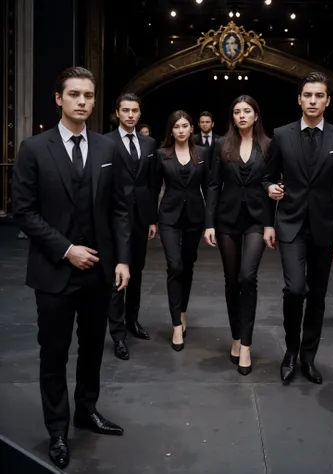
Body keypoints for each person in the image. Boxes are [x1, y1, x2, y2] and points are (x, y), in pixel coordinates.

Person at [11, 67, 131, 469]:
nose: (83, 101)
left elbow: (118, 210)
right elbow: (23, 212)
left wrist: (123, 260)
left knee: (94, 349)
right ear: (58, 98)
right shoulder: (33, 148)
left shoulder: (107, 149)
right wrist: (66, 250)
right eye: (75, 94)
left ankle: (87, 410)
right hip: (54, 271)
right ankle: (58, 430)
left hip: (98, 271)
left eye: (89, 95)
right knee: (54, 354)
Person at [263, 72, 333, 386]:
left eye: (319, 96)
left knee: (317, 295)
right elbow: (267, 175)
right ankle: (290, 350)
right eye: (308, 95)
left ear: (327, 100)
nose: (313, 101)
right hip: (290, 223)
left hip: (326, 227)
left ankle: (308, 356)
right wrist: (271, 188)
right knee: (295, 289)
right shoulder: (282, 135)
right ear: (299, 99)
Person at [204, 95, 272, 376]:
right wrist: (209, 223)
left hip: (257, 219)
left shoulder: (268, 145)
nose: (242, 115)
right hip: (226, 220)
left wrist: (271, 224)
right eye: (236, 112)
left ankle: (246, 344)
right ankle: (235, 335)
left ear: (256, 115)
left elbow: (272, 183)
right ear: (232, 117)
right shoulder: (222, 144)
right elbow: (213, 185)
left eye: (247, 111)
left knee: (248, 277)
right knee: (232, 281)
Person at [105, 94, 158, 360]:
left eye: (134, 111)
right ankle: (117, 334)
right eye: (125, 110)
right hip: (115, 217)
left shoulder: (149, 143)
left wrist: (151, 219)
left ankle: (132, 321)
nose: (130, 115)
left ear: (139, 113)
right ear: (117, 113)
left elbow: (151, 183)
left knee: (136, 270)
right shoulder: (106, 142)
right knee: (119, 273)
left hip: (140, 217)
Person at [157, 111, 209, 351]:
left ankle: (183, 309)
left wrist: (211, 222)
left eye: (184, 126)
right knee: (175, 265)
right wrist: (151, 220)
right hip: (168, 216)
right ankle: (176, 324)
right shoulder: (161, 155)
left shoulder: (203, 154)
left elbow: (210, 189)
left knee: (187, 265)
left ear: (191, 129)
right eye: (176, 126)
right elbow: (153, 187)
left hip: (195, 217)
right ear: (171, 130)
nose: (180, 130)